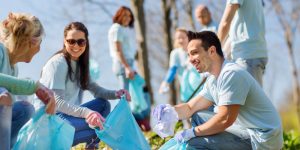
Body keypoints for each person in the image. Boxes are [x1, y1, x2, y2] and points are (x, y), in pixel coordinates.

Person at [153, 31, 283, 149]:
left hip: (261, 141)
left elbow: (225, 119)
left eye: (194, 53)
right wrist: (170, 111)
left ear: (212, 51)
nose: (190, 60)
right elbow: (190, 107)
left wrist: (192, 132)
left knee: (194, 143)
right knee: (198, 115)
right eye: (189, 55)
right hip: (243, 130)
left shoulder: (231, 74)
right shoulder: (213, 80)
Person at [37, 22, 131, 148]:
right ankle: (56, 144)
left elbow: (96, 90)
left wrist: (116, 93)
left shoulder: (80, 65)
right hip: (50, 121)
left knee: (103, 104)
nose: (76, 46)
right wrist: (87, 113)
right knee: (100, 127)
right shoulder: (58, 63)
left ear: (86, 43)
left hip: (65, 117)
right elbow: (57, 103)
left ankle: (91, 146)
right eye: (71, 41)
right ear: (64, 42)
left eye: (81, 42)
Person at [0, 12, 56, 150]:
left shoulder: (13, 68)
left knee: (25, 109)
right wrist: (34, 86)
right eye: (40, 42)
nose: (40, 49)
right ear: (32, 42)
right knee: (3, 93)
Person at [218, 0, 267, 85]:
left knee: (250, 98)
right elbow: (238, 31)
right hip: (253, 54)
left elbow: (225, 24)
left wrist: (213, 48)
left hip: (247, 56)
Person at [108, 6, 136, 90]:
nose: (128, 18)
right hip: (123, 64)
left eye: (130, 16)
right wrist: (127, 67)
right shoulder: (117, 28)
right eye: (125, 15)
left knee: (128, 95)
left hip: (125, 63)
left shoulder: (121, 29)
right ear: (119, 15)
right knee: (124, 95)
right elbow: (118, 50)